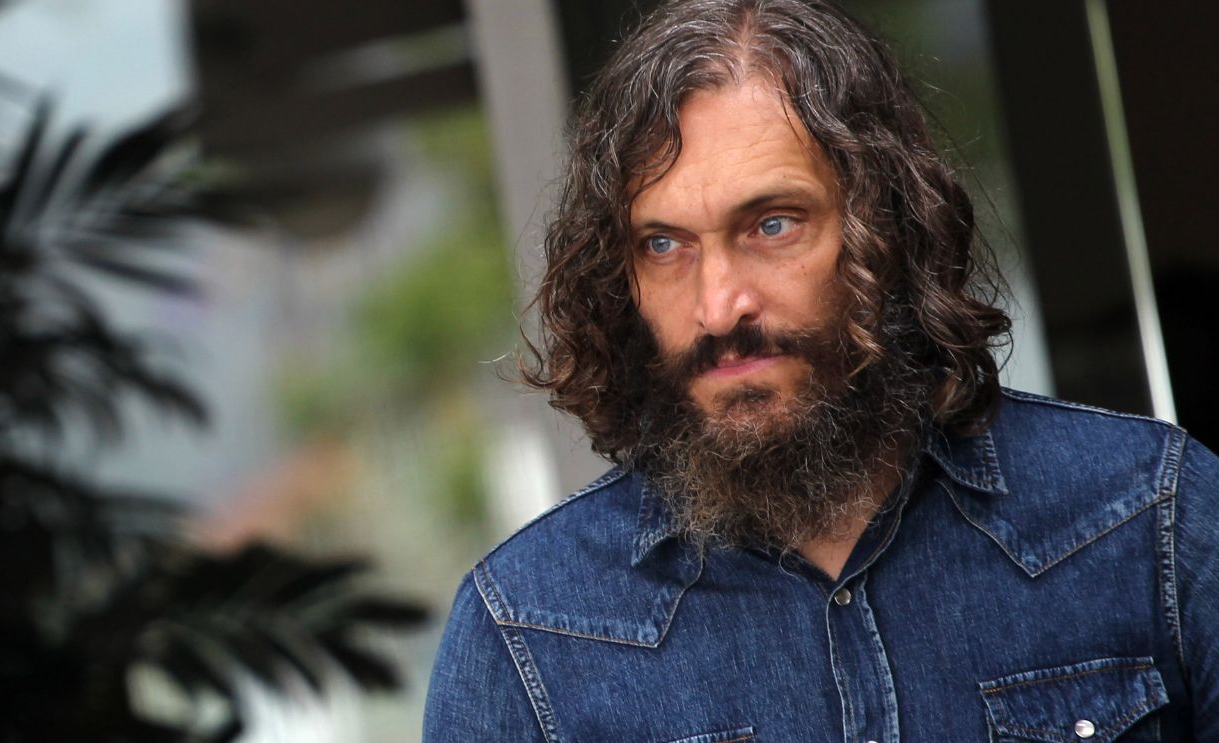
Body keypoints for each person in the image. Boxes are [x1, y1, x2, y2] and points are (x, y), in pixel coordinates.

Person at [423, 0, 1219, 740]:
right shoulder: (527, 631)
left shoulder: (1147, 516)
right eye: (662, 244)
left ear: (886, 225)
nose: (718, 305)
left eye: (771, 224)